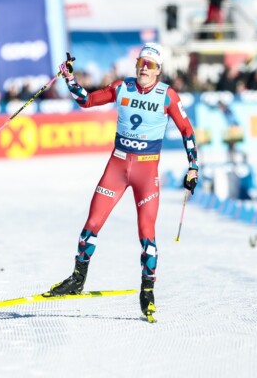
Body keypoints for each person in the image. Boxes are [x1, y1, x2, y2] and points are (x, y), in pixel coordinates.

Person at [48, 44, 199, 321]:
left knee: (147, 235)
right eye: (141, 63)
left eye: (150, 65)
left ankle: (147, 292)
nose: (144, 68)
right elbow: (86, 101)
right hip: (117, 167)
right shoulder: (122, 87)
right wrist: (69, 78)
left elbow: (187, 130)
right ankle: (78, 280)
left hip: (146, 173)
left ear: (158, 70)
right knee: (91, 225)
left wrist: (193, 167)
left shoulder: (168, 95)